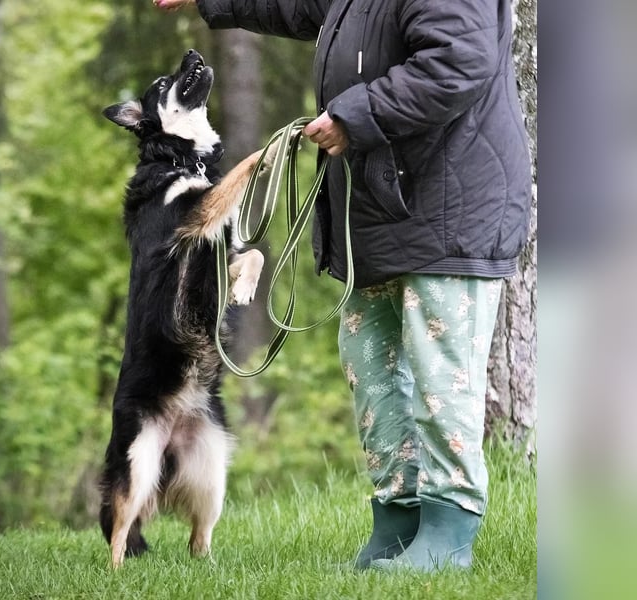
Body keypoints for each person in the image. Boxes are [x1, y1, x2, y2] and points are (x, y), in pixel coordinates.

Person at [153, 0, 531, 572]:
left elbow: (458, 60)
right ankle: (398, 519)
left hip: (451, 211)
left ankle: (448, 530)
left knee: (438, 376)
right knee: (372, 371)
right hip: (383, 212)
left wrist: (354, 116)